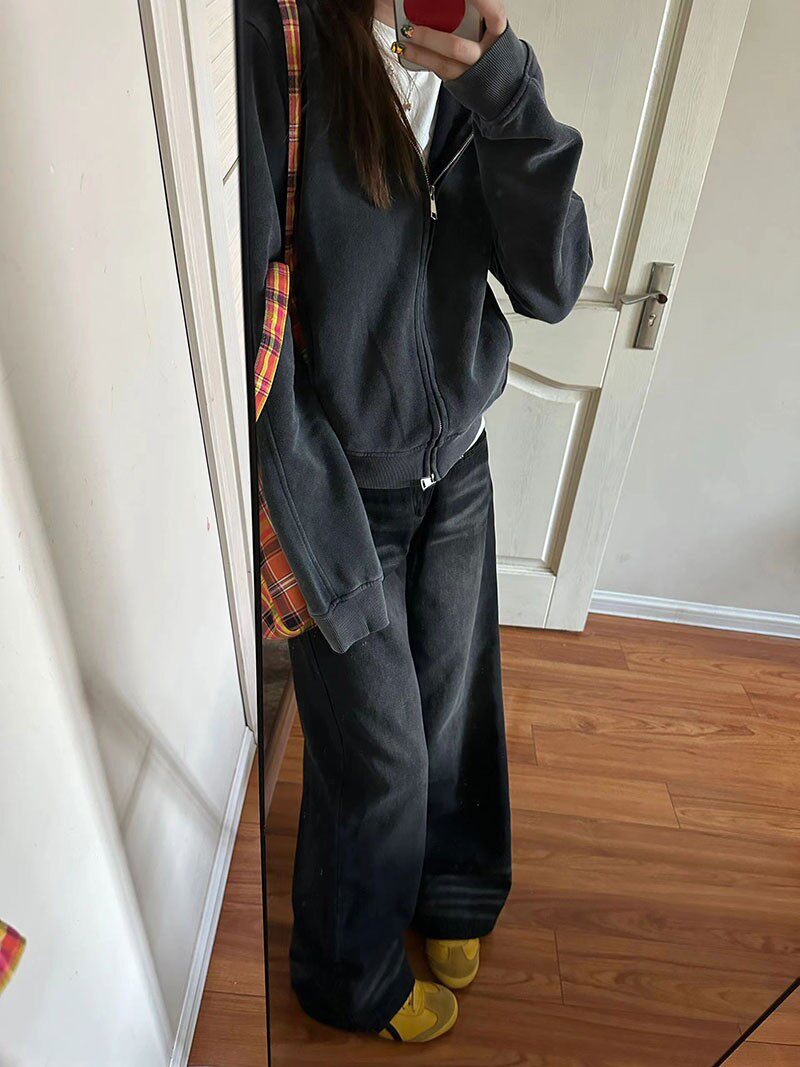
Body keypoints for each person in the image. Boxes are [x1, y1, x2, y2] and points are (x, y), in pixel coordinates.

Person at [243, 0, 592, 1043]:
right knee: (380, 754)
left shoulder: (479, 66)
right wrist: (303, 516)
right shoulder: (276, 35)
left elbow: (551, 286)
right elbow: (252, 320)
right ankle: (345, 975)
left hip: (458, 462)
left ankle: (453, 889)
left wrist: (505, 94)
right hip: (341, 480)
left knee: (452, 708)